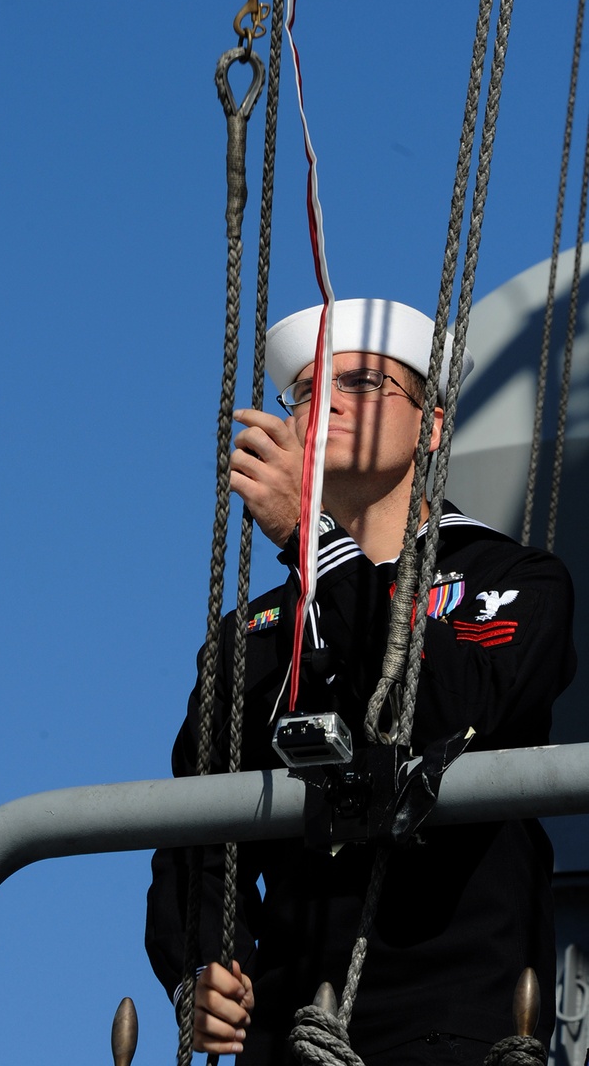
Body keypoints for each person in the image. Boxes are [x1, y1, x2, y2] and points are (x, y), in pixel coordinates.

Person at [145, 299, 576, 1066]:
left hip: (457, 1017)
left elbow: (453, 709)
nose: (330, 402)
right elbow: (197, 831)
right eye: (308, 391)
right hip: (286, 1028)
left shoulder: (511, 579)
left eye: (367, 383)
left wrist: (314, 544)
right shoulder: (255, 631)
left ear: (434, 425)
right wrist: (200, 964)